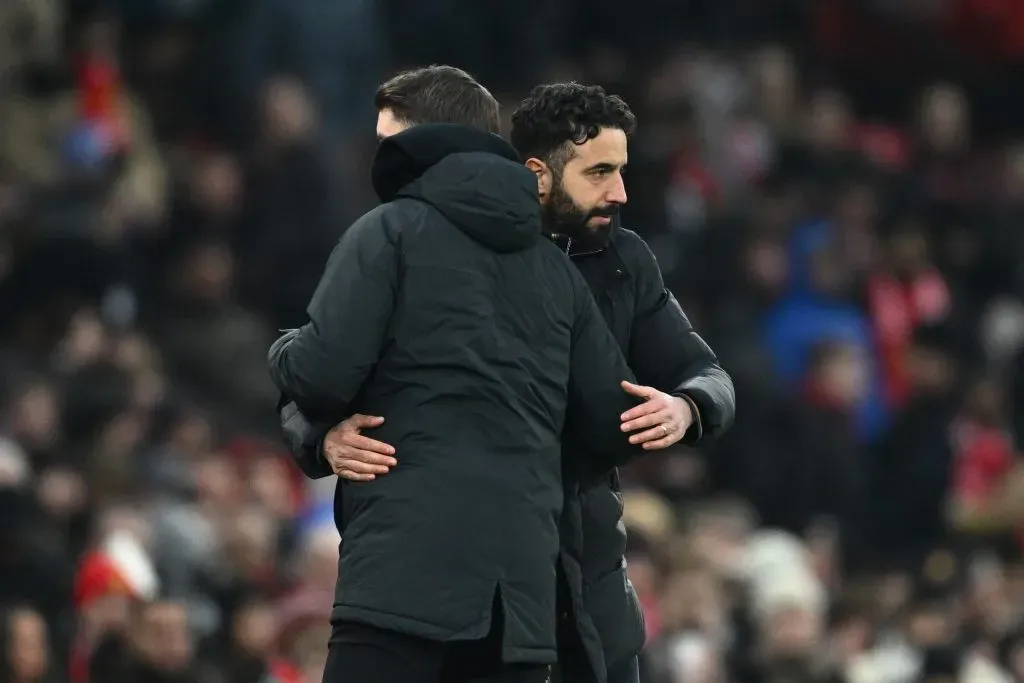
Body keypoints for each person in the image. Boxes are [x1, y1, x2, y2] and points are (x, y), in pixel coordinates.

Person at [285, 83, 737, 683]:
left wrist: (688, 407)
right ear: (537, 174)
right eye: (600, 171)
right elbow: (332, 378)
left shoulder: (623, 261)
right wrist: (319, 436)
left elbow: (706, 374)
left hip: (570, 589)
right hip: (495, 580)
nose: (620, 192)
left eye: (620, 171)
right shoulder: (486, 253)